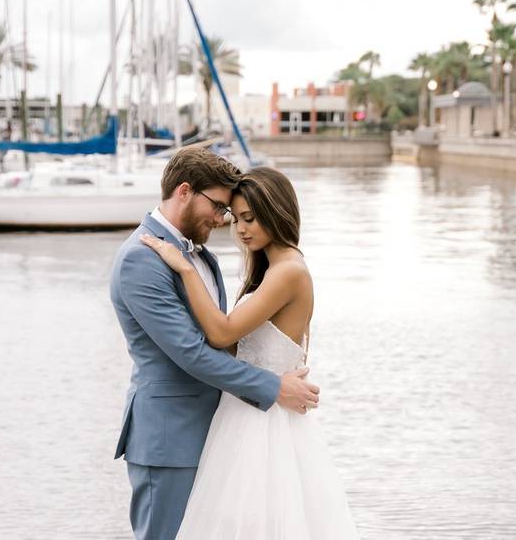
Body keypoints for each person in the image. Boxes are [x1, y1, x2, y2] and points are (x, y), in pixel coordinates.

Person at [109, 148, 320, 540]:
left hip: (223, 432)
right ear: (185, 191)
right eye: (222, 208)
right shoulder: (142, 259)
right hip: (169, 439)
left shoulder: (200, 256)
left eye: (237, 215)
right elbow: (192, 352)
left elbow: (230, 339)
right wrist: (273, 387)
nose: (225, 221)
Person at [141, 166, 359, 539]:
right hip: (245, 414)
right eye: (236, 218)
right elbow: (231, 344)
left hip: (266, 424)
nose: (240, 229)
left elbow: (221, 332)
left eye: (250, 219)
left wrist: (185, 271)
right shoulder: (271, 270)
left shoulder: (289, 271)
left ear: (276, 212)